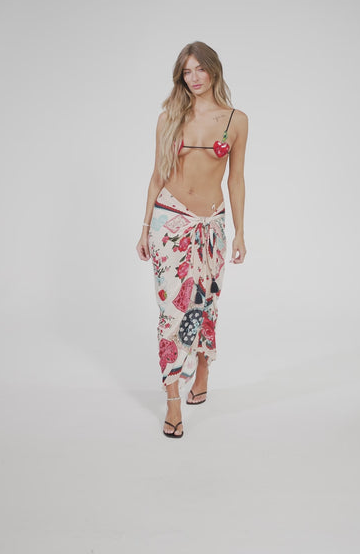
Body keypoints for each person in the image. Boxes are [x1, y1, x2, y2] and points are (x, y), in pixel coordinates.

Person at [136, 41, 248, 438]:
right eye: (187, 71)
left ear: (214, 70)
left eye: (200, 68)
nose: (194, 77)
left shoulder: (236, 120)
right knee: (172, 312)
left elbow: (236, 179)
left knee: (204, 302)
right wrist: (144, 227)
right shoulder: (169, 118)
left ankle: (202, 368)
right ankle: (172, 401)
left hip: (212, 225)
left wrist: (239, 231)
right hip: (170, 223)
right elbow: (157, 175)